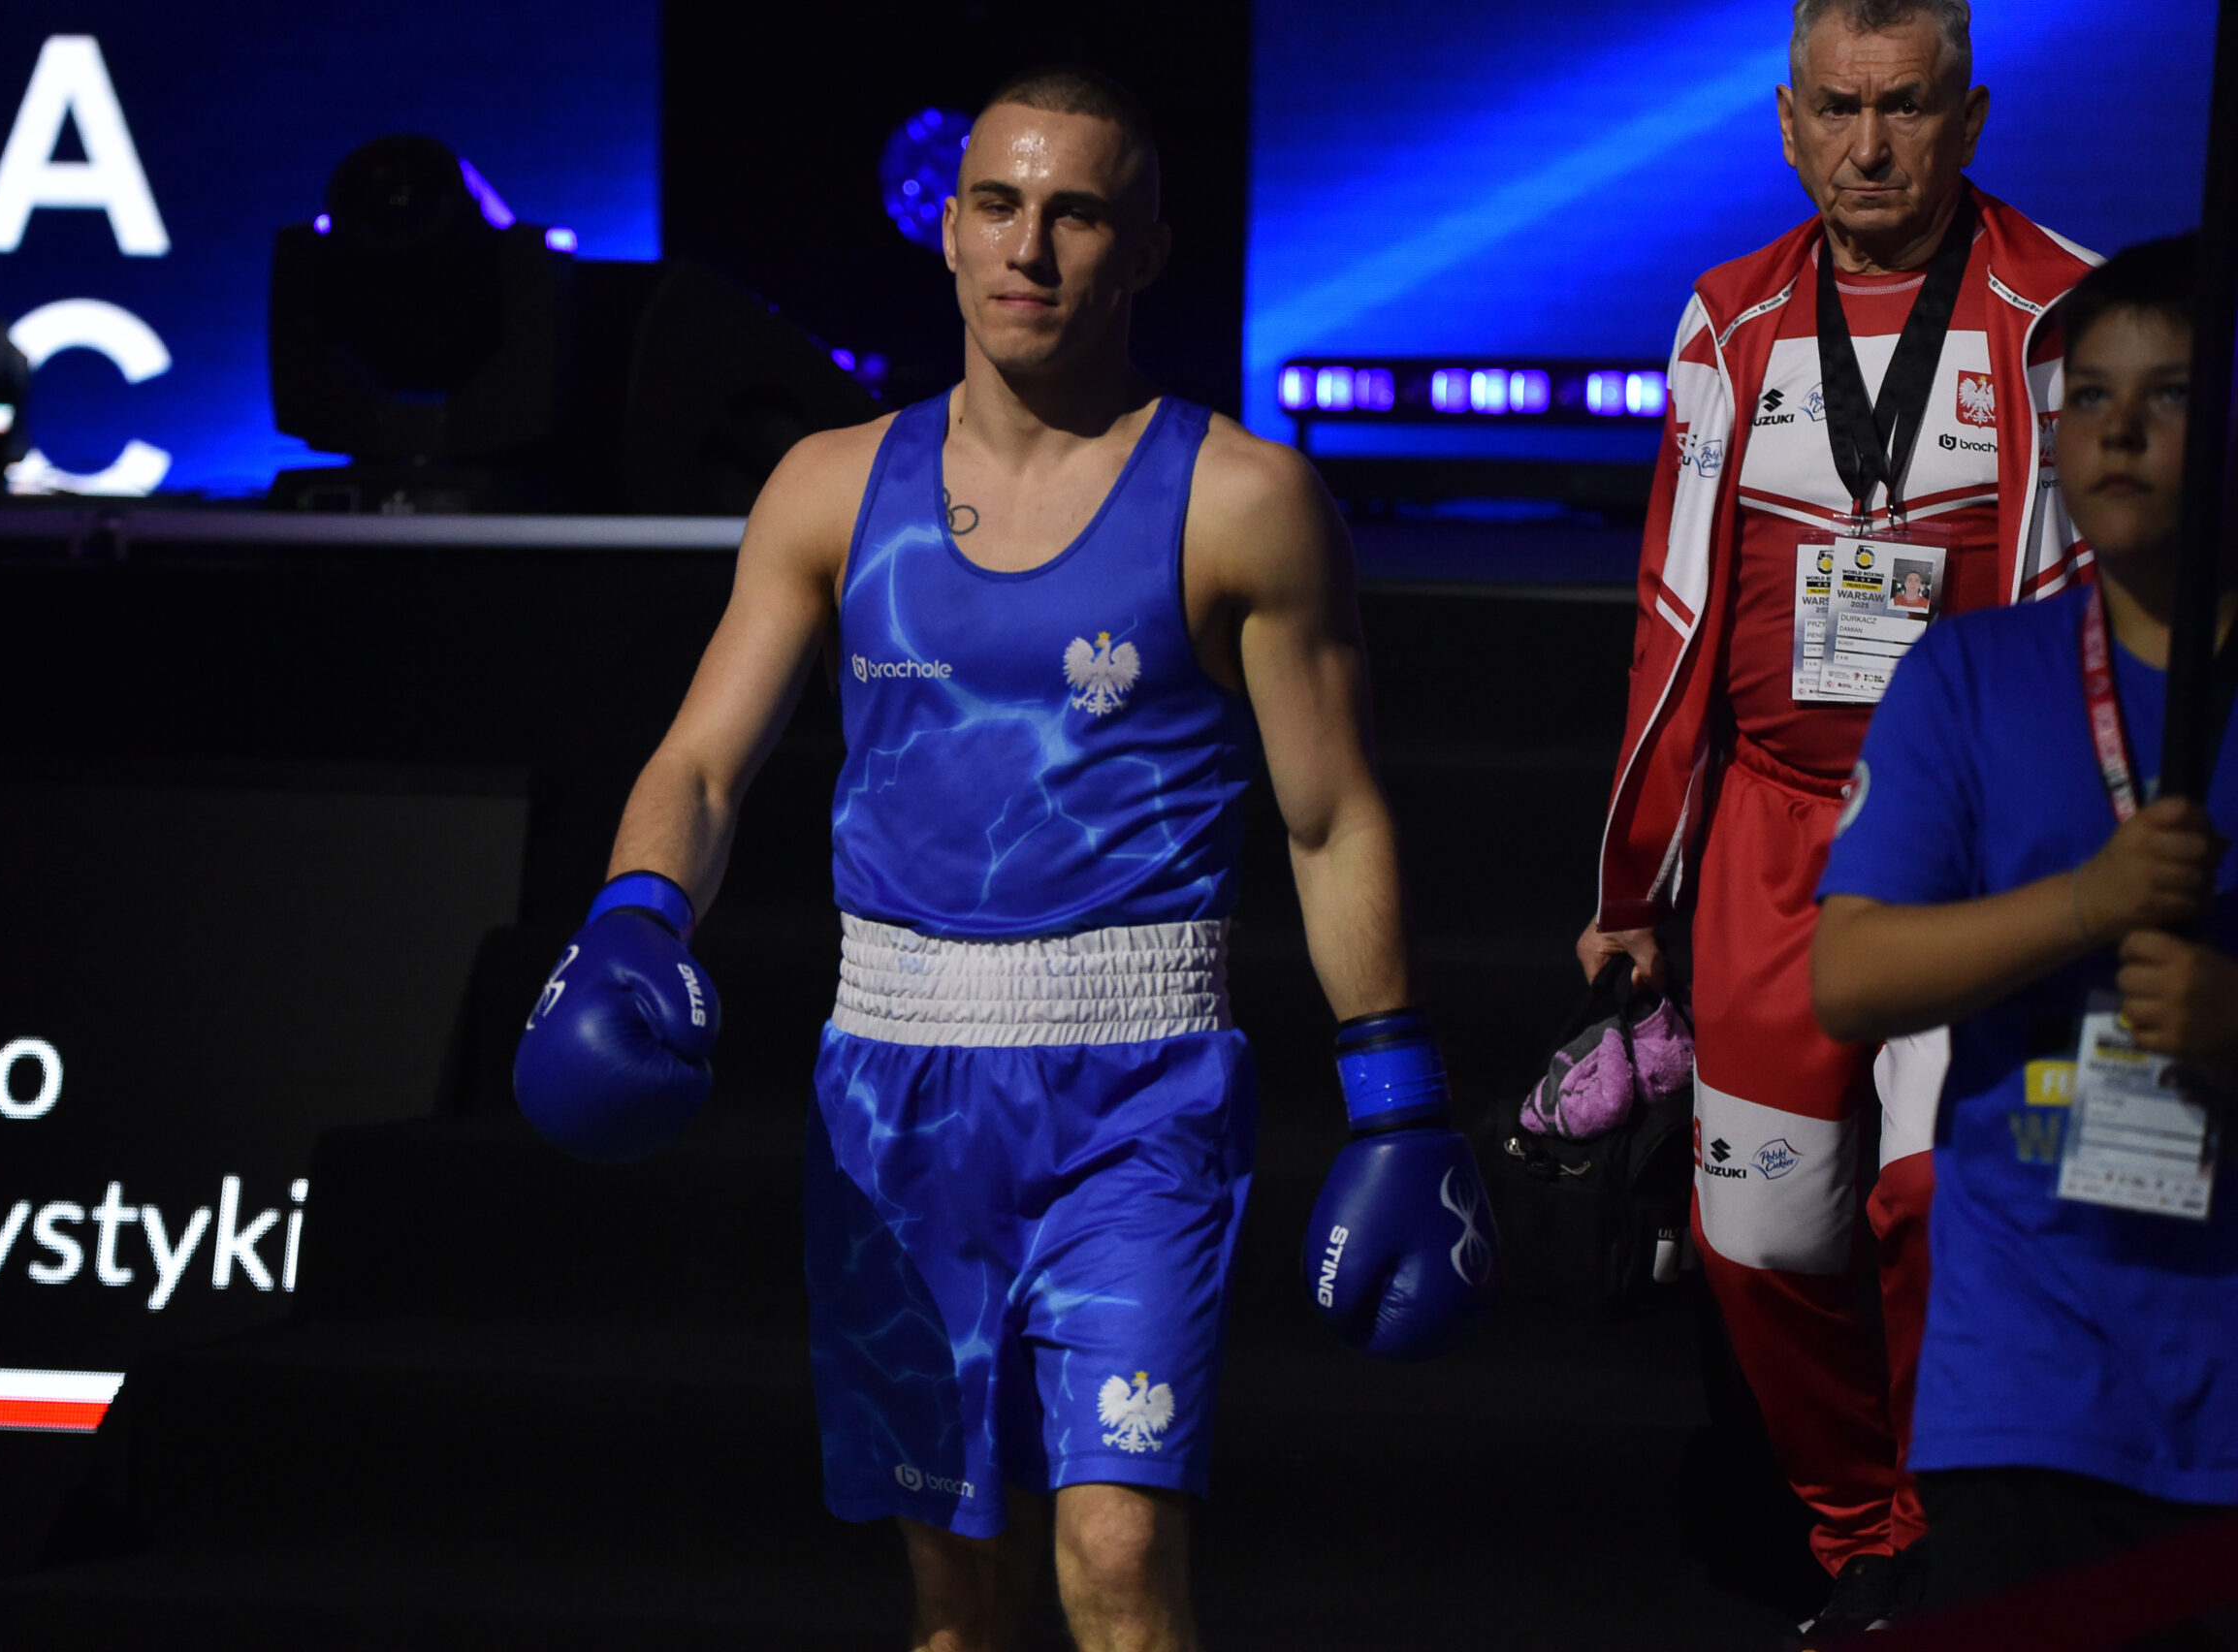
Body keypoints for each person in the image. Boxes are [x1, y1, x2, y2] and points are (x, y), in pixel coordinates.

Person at [510, 65, 1492, 1652]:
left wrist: (1401, 1097)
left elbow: (1331, 817)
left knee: (1117, 1558)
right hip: (893, 1101)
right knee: (955, 1604)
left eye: (1076, 213)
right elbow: (700, 762)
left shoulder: (1243, 500)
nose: (1030, 246)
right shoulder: (830, 487)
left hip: (1140, 1097)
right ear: (949, 230)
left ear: (1146, 249)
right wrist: (634, 918)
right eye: (999, 204)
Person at [1575, 0, 2096, 1635]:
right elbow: (1673, 619)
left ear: (1972, 116)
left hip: (1974, 843)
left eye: (1909, 107)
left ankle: (1943, 1541)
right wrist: (1634, 881)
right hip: (1773, 832)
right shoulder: (1726, 319)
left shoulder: (2060, 310)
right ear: (1789, 120)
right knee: (1761, 1232)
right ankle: (1858, 1536)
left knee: (1943, 1203)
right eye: (1840, 108)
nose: (1872, 147)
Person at [1811, 234, 2238, 1648]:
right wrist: (2085, 906)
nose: (2118, 432)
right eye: (2090, 396)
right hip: (2027, 1384)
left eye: (2171, 395)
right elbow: (1849, 974)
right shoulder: (1974, 673)